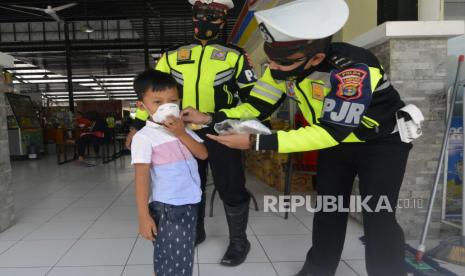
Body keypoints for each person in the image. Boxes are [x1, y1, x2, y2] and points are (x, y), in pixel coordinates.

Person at [182, 0, 414, 275]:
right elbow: (256, 106)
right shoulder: (281, 67)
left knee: (378, 216)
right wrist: (209, 117)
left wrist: (257, 142)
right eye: (271, 61)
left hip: (380, 145)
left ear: (315, 58)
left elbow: (332, 131)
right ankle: (317, 270)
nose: (275, 69)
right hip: (333, 146)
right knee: (328, 210)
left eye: (283, 63)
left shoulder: (352, 68)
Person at [126, 0, 258, 266]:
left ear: (223, 19)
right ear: (193, 16)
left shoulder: (236, 56)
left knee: (230, 186)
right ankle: (195, 231)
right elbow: (151, 94)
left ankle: (239, 241)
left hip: (221, 131)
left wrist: (229, 121)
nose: (206, 19)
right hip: (179, 131)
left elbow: (253, 101)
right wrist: (136, 126)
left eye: (214, 15)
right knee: (190, 184)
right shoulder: (172, 55)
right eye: (201, 13)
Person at [131, 69, 208, 276]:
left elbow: (202, 154)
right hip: (169, 207)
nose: (166, 106)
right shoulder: (144, 138)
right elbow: (141, 179)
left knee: (178, 256)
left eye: (172, 100)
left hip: (190, 201)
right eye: (157, 102)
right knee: (173, 260)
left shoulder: (184, 129)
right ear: (142, 106)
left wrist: (181, 132)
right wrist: (143, 216)